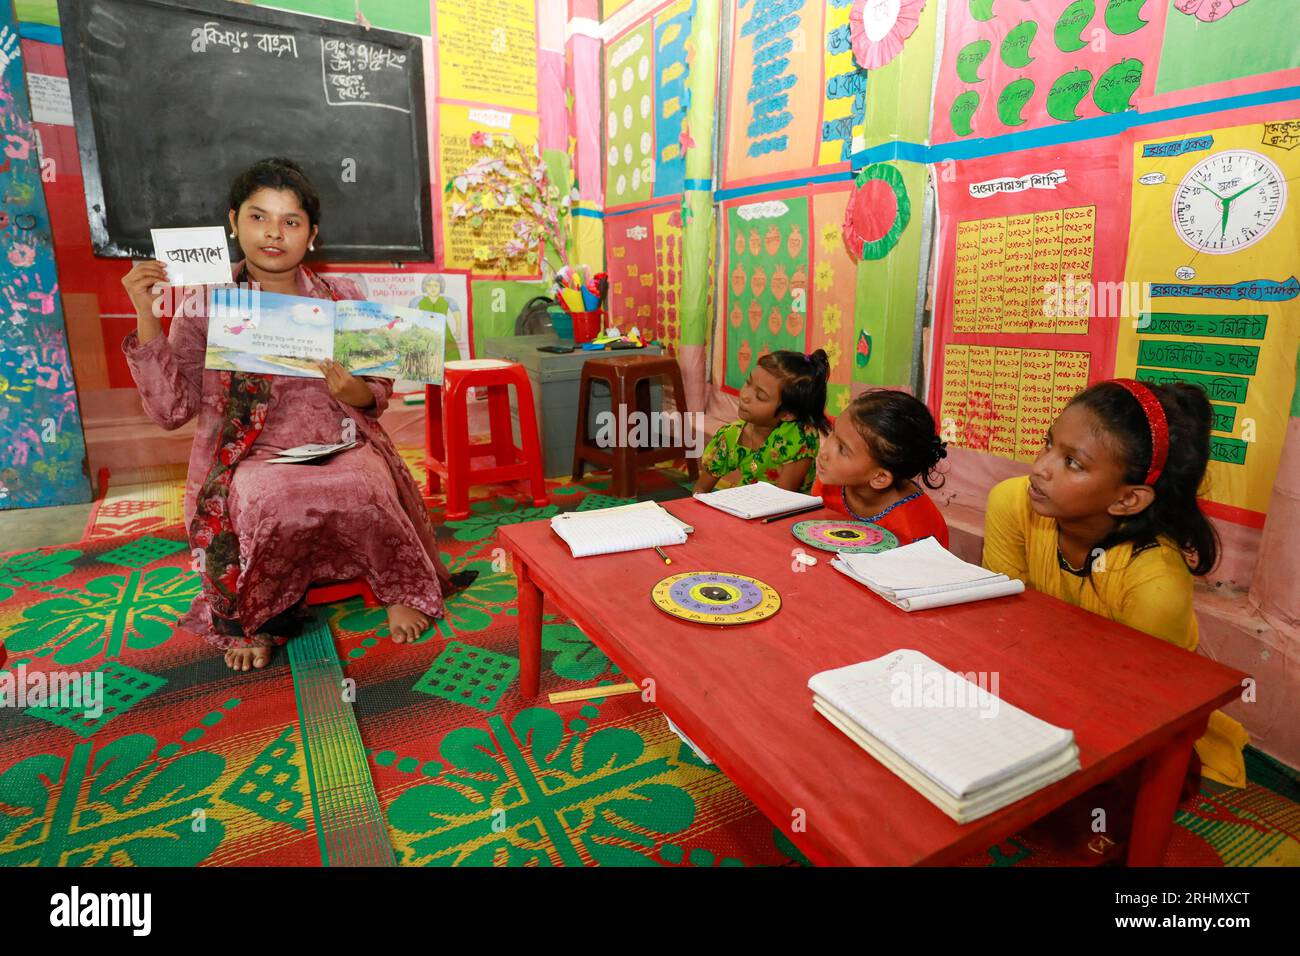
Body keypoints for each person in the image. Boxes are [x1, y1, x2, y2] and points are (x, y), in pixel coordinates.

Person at [121, 158, 470, 671]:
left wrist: (356, 389)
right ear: (233, 222)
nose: (273, 233)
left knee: (367, 488)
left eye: (291, 221)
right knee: (274, 500)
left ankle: (396, 583)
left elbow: (377, 391)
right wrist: (145, 314)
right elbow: (173, 410)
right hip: (250, 457)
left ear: (312, 235)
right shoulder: (205, 305)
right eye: (259, 217)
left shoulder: (342, 298)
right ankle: (259, 615)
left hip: (341, 442)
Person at [812, 389, 950, 546]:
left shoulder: (915, 532)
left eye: (842, 449)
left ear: (880, 478)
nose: (824, 451)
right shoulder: (828, 487)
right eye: (832, 433)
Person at [695, 350, 831, 494]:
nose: (745, 396)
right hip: (743, 508)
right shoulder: (729, 436)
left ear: (787, 414)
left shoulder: (798, 437)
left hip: (783, 512)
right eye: (748, 382)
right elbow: (701, 489)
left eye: (760, 396)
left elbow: (782, 501)